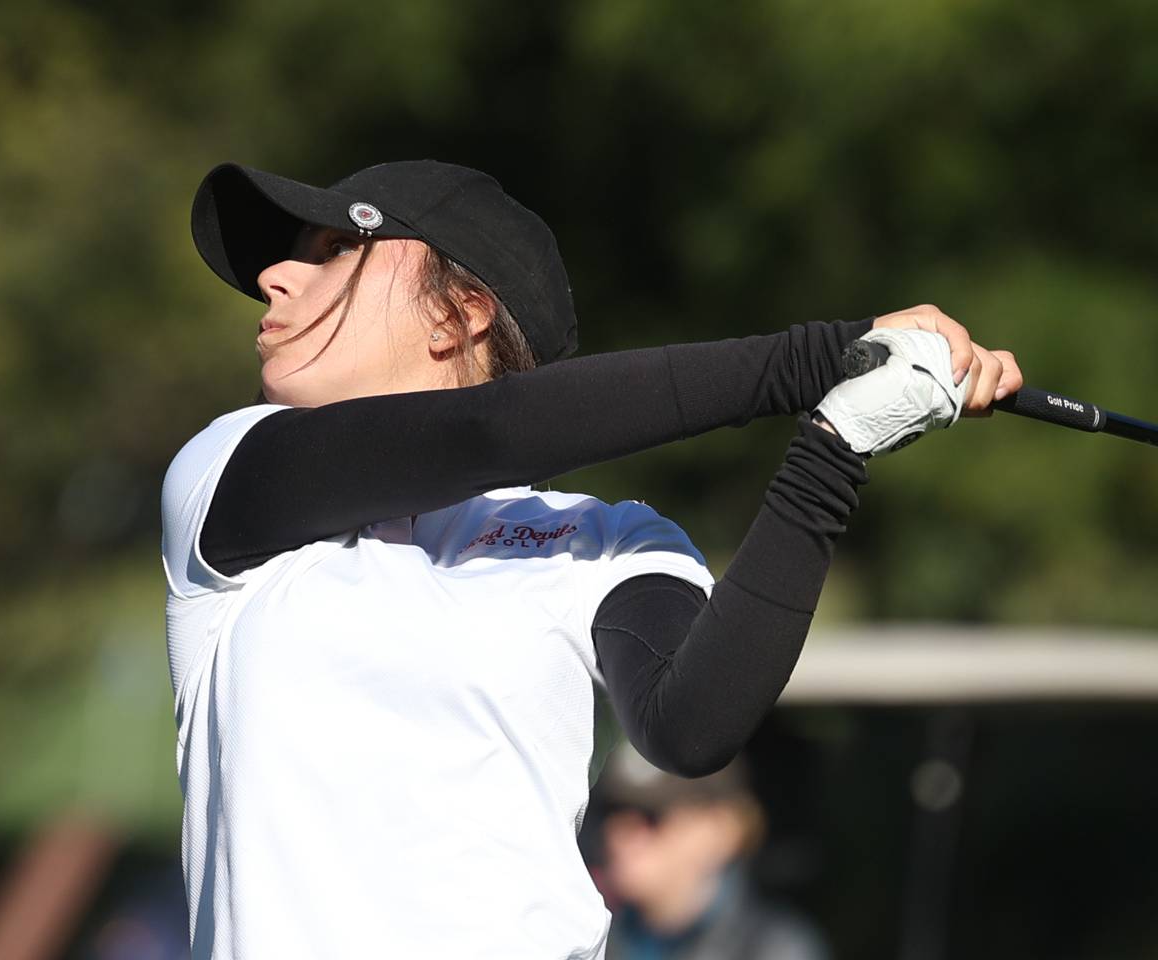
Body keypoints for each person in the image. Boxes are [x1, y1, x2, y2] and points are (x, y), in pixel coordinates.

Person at [160, 159, 1022, 959]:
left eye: (337, 246)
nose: (276, 278)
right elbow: (489, 429)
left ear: (458, 314)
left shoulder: (606, 539)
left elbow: (693, 729)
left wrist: (836, 445)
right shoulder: (227, 472)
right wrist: (822, 354)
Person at [596, 746, 828, 960]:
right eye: (611, 812)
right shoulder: (586, 937)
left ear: (721, 830)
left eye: (651, 818)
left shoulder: (775, 949)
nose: (618, 834)